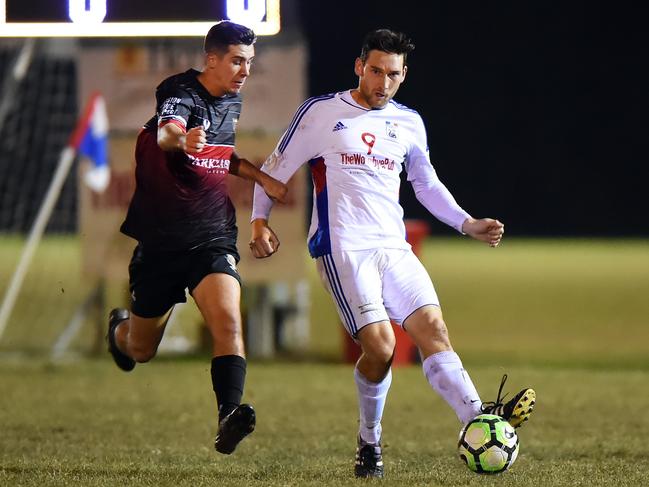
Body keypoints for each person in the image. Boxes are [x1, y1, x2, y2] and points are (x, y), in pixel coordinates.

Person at [249, 28, 535, 478]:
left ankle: (480, 420)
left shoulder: (408, 122)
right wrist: (258, 221)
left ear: (404, 76)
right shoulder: (321, 113)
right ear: (360, 67)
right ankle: (370, 439)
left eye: (393, 74)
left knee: (434, 330)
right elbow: (274, 170)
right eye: (376, 70)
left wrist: (466, 222)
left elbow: (425, 183)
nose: (383, 82)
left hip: (393, 247)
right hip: (343, 248)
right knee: (380, 348)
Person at [106, 20, 288, 456]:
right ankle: (119, 331)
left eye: (249, 62)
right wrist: (182, 141)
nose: (244, 70)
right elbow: (169, 133)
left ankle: (229, 414)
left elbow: (222, 155)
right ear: (212, 59)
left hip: (211, 239)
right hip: (161, 246)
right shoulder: (180, 92)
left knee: (228, 321)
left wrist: (262, 178)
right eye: (237, 61)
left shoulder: (232, 101)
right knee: (141, 350)